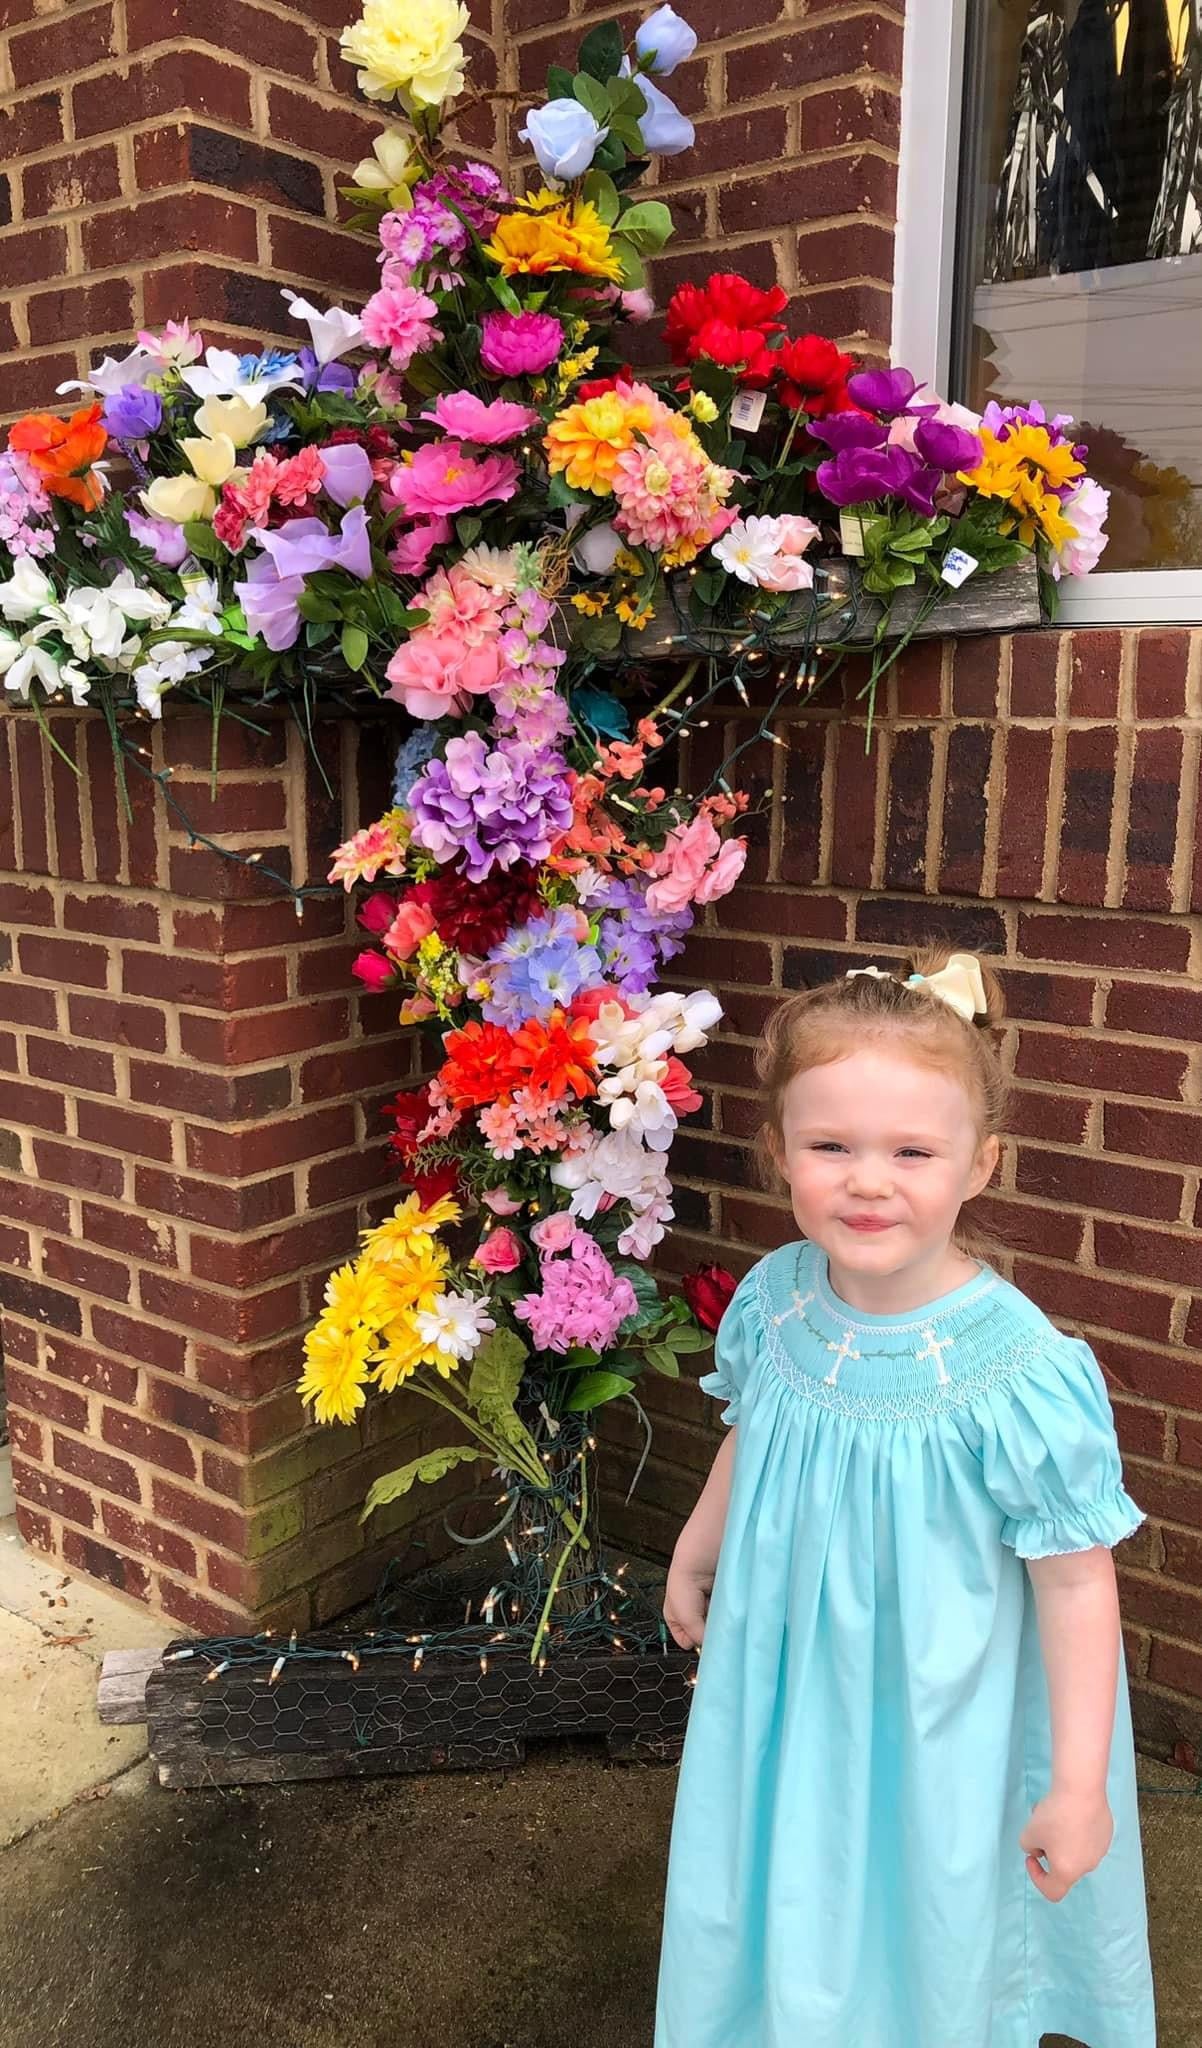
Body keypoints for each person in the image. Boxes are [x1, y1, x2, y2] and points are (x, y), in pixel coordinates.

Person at [656, 948, 1156, 2048]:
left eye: (910, 1150)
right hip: (789, 1675)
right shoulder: (777, 1298)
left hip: (939, 1709)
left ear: (979, 1162)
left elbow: (1074, 1581)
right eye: (828, 1144)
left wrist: (1077, 1783)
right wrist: (698, 1544)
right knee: (787, 1861)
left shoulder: (1019, 1371)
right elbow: (754, 1427)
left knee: (918, 1898)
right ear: (777, 1149)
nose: (866, 1180)